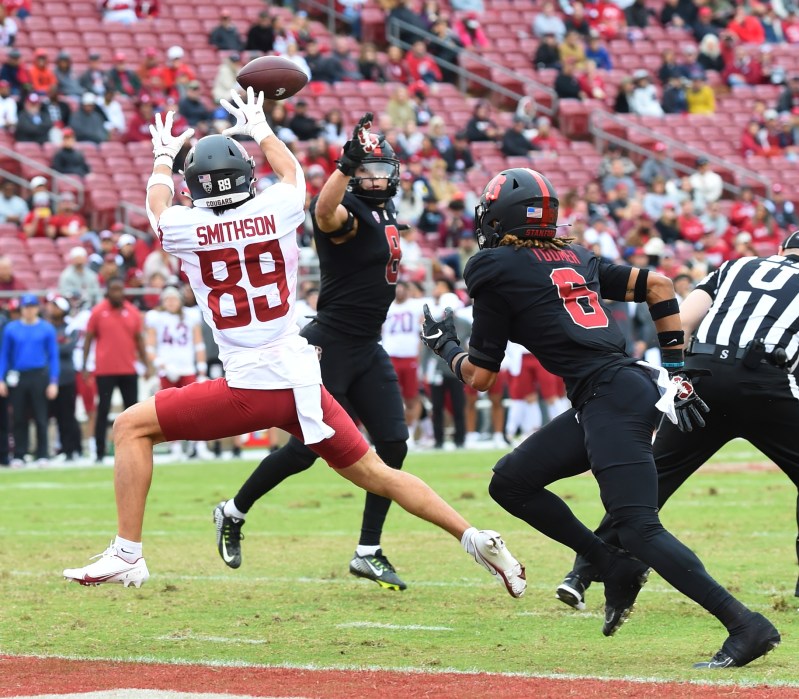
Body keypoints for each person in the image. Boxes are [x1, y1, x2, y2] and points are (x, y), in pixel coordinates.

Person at [62, 92, 526, 600]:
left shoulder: (184, 226)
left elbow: (158, 206)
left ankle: (128, 554)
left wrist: (161, 159)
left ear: (193, 189)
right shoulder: (278, 206)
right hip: (304, 379)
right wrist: (259, 125)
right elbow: (292, 177)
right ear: (246, 177)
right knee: (378, 471)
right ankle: (474, 538)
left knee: (130, 426)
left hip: (250, 387)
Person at [420, 167, 780, 668]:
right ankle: (612, 566)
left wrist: (445, 348)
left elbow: (480, 377)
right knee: (511, 481)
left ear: (499, 217)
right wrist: (675, 368)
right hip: (615, 390)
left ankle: (745, 624)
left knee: (637, 526)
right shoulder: (576, 255)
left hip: (610, 394)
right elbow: (659, 284)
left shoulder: (492, 266)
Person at [213, 109, 445, 592]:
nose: (378, 179)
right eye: (367, 172)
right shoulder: (348, 211)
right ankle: (232, 511)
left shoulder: (384, 210)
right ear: (352, 175)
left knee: (395, 443)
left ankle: (368, 551)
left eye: (382, 170)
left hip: (366, 345)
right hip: (329, 345)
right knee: (306, 451)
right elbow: (323, 211)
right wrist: (343, 167)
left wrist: (355, 165)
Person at [562, 228, 799, 610]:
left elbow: (682, 320)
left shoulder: (735, 266)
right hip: (766, 381)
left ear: (781, 251)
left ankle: (583, 570)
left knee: (652, 480)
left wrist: (680, 378)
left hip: (703, 372)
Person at [82, 277, 149, 464]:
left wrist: (146, 365)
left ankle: (135, 451)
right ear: (108, 291)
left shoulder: (133, 312)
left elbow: (140, 341)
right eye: (114, 289)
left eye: (120, 289)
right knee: (102, 410)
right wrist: (85, 365)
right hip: (105, 371)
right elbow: (88, 339)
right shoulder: (98, 312)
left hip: (128, 369)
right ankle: (99, 452)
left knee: (133, 412)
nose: (117, 293)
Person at [144, 285, 210, 460]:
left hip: (187, 368)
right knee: (169, 412)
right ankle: (175, 448)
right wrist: (162, 365)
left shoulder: (190, 316)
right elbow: (149, 348)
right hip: (168, 371)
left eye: (174, 299)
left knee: (196, 410)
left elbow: (199, 345)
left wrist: (202, 370)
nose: (171, 302)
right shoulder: (156, 318)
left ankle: (200, 445)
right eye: (168, 299)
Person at [0, 293, 58, 467]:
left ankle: (42, 453)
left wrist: (53, 381)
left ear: (37, 308)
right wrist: (1, 378)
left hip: (39, 375)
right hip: (18, 375)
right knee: (18, 416)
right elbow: (5, 355)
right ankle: (19, 453)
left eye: (32, 307)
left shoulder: (46, 328)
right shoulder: (11, 329)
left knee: (41, 416)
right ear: (21, 309)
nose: (29, 310)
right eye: (26, 307)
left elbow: (53, 356)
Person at [47, 294, 82, 461]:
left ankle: (74, 449)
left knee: (69, 414)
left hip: (67, 375)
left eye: (55, 306)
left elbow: (68, 348)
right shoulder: (46, 327)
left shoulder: (70, 326)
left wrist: (53, 348)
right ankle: (62, 449)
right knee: (56, 415)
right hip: (49, 378)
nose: (51, 309)